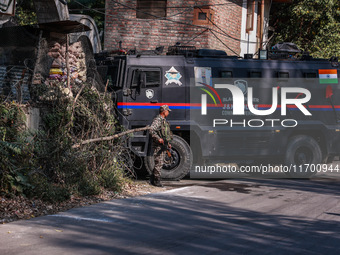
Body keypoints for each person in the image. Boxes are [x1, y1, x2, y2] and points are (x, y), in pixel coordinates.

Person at [149, 105, 173, 187]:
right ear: (164, 111)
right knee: (159, 163)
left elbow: (165, 134)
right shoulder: (158, 120)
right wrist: (158, 139)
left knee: (160, 162)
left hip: (163, 145)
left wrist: (168, 143)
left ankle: (152, 179)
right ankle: (156, 181)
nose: (168, 112)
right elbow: (151, 130)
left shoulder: (163, 121)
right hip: (158, 145)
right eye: (168, 111)